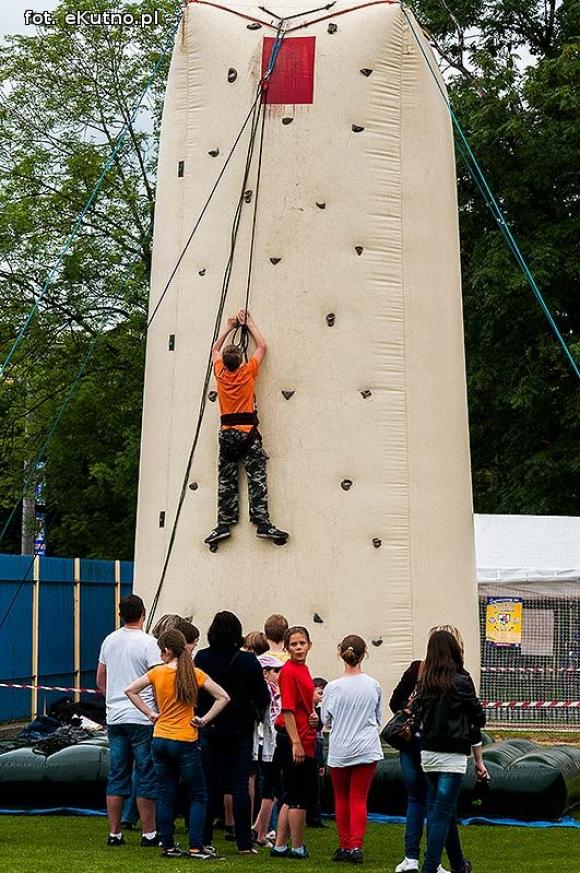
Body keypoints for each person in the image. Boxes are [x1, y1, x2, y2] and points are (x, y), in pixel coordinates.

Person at [125, 629, 230, 859]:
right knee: (198, 795)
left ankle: (168, 845)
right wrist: (203, 719)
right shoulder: (195, 674)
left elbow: (130, 690)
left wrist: (150, 713)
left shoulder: (157, 673)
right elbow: (224, 697)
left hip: (160, 738)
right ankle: (196, 845)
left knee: (165, 794)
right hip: (185, 739)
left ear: (166, 650)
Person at [204, 309, 288, 545]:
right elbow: (262, 346)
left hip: (227, 434)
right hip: (249, 434)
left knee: (227, 479)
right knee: (257, 477)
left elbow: (215, 350)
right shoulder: (247, 372)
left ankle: (223, 524)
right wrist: (249, 324)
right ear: (241, 361)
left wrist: (230, 326)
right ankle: (262, 522)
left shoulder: (220, 373)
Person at [390, 626, 467, 873]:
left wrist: (411, 712)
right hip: (439, 746)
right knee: (438, 806)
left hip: (414, 742)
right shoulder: (459, 676)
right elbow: (471, 713)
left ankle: (413, 857)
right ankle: (432, 862)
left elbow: (395, 702)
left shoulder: (419, 670)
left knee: (417, 800)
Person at [195, 611, 271, 854]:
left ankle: (204, 838)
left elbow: (195, 693)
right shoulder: (248, 661)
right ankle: (243, 842)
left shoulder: (202, 657)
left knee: (208, 784)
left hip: (209, 725)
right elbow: (263, 696)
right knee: (239, 785)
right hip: (240, 727)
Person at [413, 630, 488, 873]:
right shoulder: (461, 680)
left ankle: (458, 865)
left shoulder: (425, 682)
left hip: (428, 751)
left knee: (441, 810)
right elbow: (479, 716)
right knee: (442, 814)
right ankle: (430, 867)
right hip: (453, 753)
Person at [96, 594, 160, 847]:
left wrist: (111, 698)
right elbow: (157, 681)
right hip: (143, 716)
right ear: (143, 612)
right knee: (146, 773)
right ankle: (149, 832)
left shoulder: (109, 641)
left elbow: (101, 678)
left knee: (117, 774)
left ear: (120, 613)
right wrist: (156, 709)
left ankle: (114, 832)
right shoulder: (149, 643)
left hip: (115, 716)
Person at [321, 636, 382, 864]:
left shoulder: (333, 687)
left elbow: (325, 720)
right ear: (364, 654)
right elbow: (377, 717)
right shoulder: (373, 684)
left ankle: (344, 843)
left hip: (341, 747)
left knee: (341, 797)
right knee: (359, 798)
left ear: (341, 654)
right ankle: (356, 845)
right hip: (366, 747)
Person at [271, 626, 318, 860]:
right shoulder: (289, 671)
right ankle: (297, 846)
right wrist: (296, 742)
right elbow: (287, 709)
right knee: (299, 795)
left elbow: (301, 704)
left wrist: (313, 715)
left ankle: (280, 845)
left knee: (290, 795)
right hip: (296, 738)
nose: (299, 648)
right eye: (294, 644)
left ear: (310, 644)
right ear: (287, 647)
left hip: (303, 733)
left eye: (302, 643)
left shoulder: (303, 669)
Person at [253, 653, 283, 847]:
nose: (279, 674)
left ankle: (259, 828)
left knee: (269, 789)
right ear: (265, 672)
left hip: (264, 742)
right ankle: (261, 831)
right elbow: (272, 717)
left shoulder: (265, 688)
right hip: (269, 743)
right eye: (276, 671)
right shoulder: (269, 690)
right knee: (270, 789)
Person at [306, 677, 328, 829]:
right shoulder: (309, 710)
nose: (322, 697)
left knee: (316, 786)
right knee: (311, 785)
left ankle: (315, 816)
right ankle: (312, 817)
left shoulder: (319, 710)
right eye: (319, 692)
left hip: (316, 747)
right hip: (310, 747)